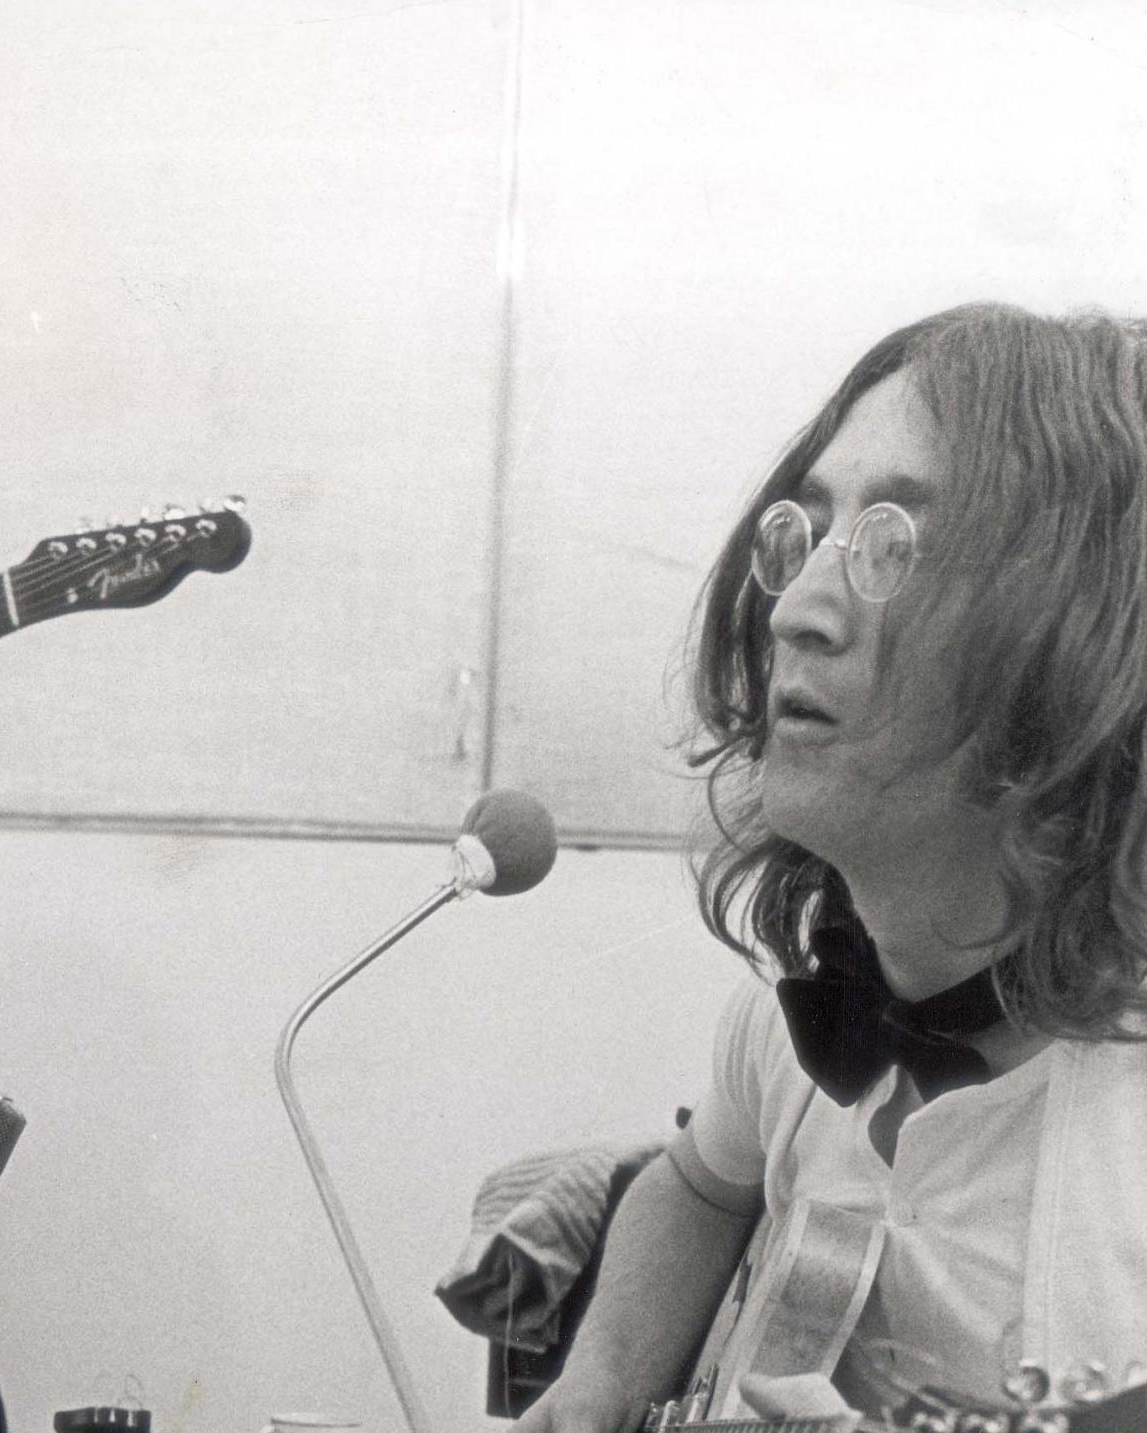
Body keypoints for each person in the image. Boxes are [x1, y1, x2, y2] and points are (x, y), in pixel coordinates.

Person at [518, 304, 1147, 1431]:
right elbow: (695, 1184)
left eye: (896, 547)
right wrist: (602, 1376)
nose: (795, 609)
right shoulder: (786, 1027)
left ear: (1082, 633)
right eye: (802, 536)